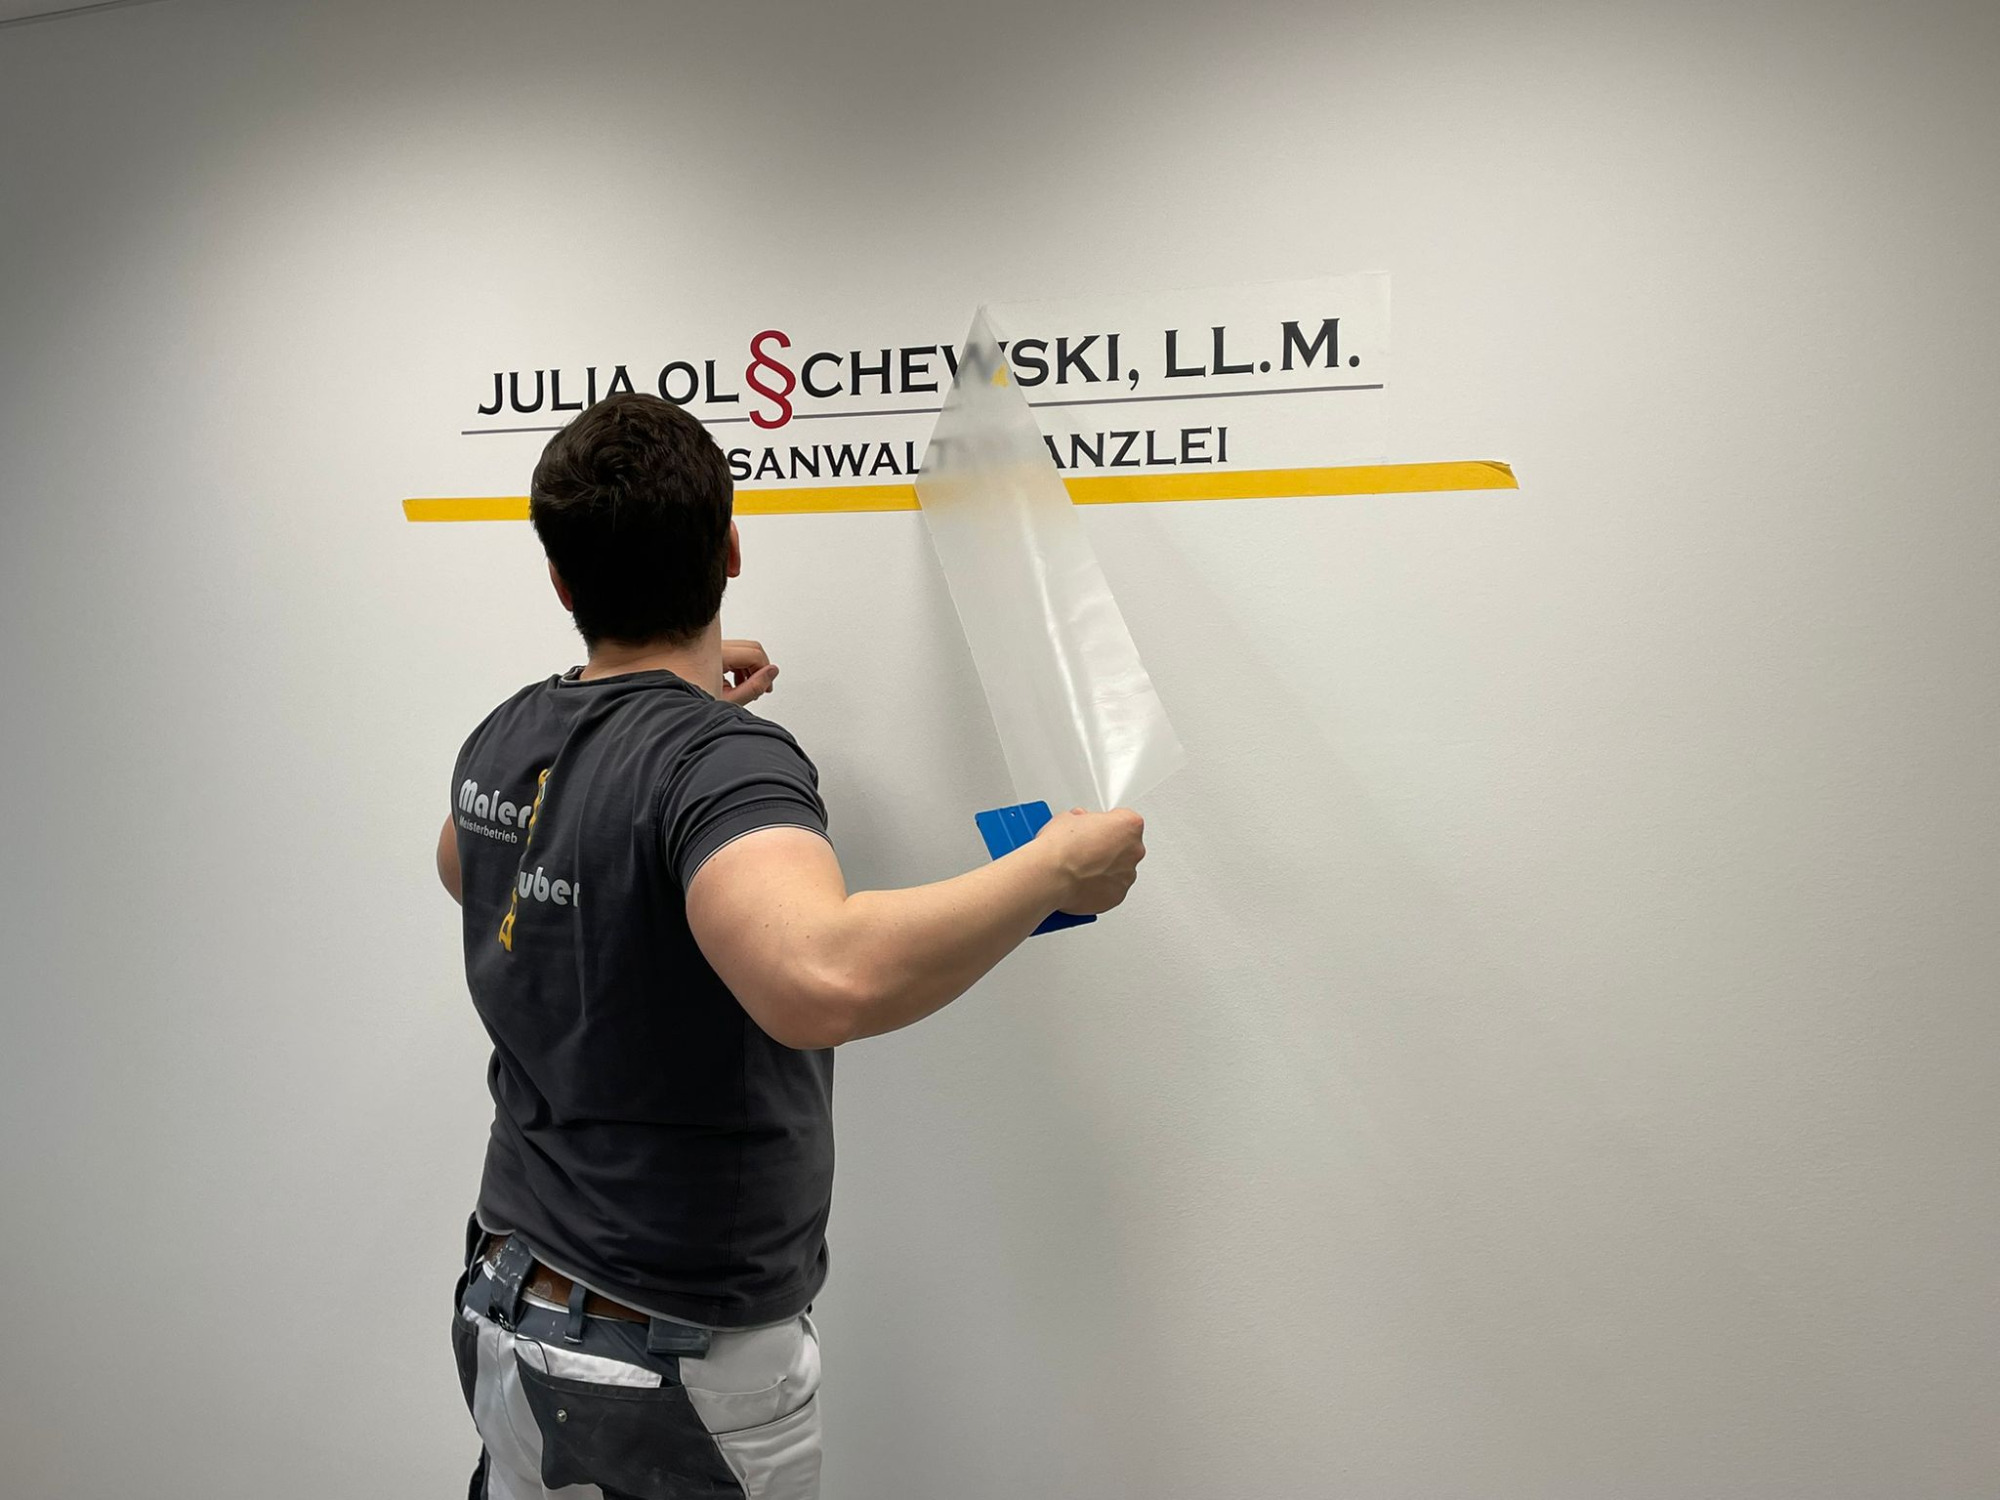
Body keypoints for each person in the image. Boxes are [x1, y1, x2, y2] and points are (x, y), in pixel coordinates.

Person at [435, 392, 1147, 1500]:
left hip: (510, 1301)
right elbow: (822, 977)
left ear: (563, 583)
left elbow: (465, 865)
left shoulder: (508, 733)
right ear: (729, 549)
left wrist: (656, 756)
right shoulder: (721, 763)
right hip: (659, 1361)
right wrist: (1055, 871)